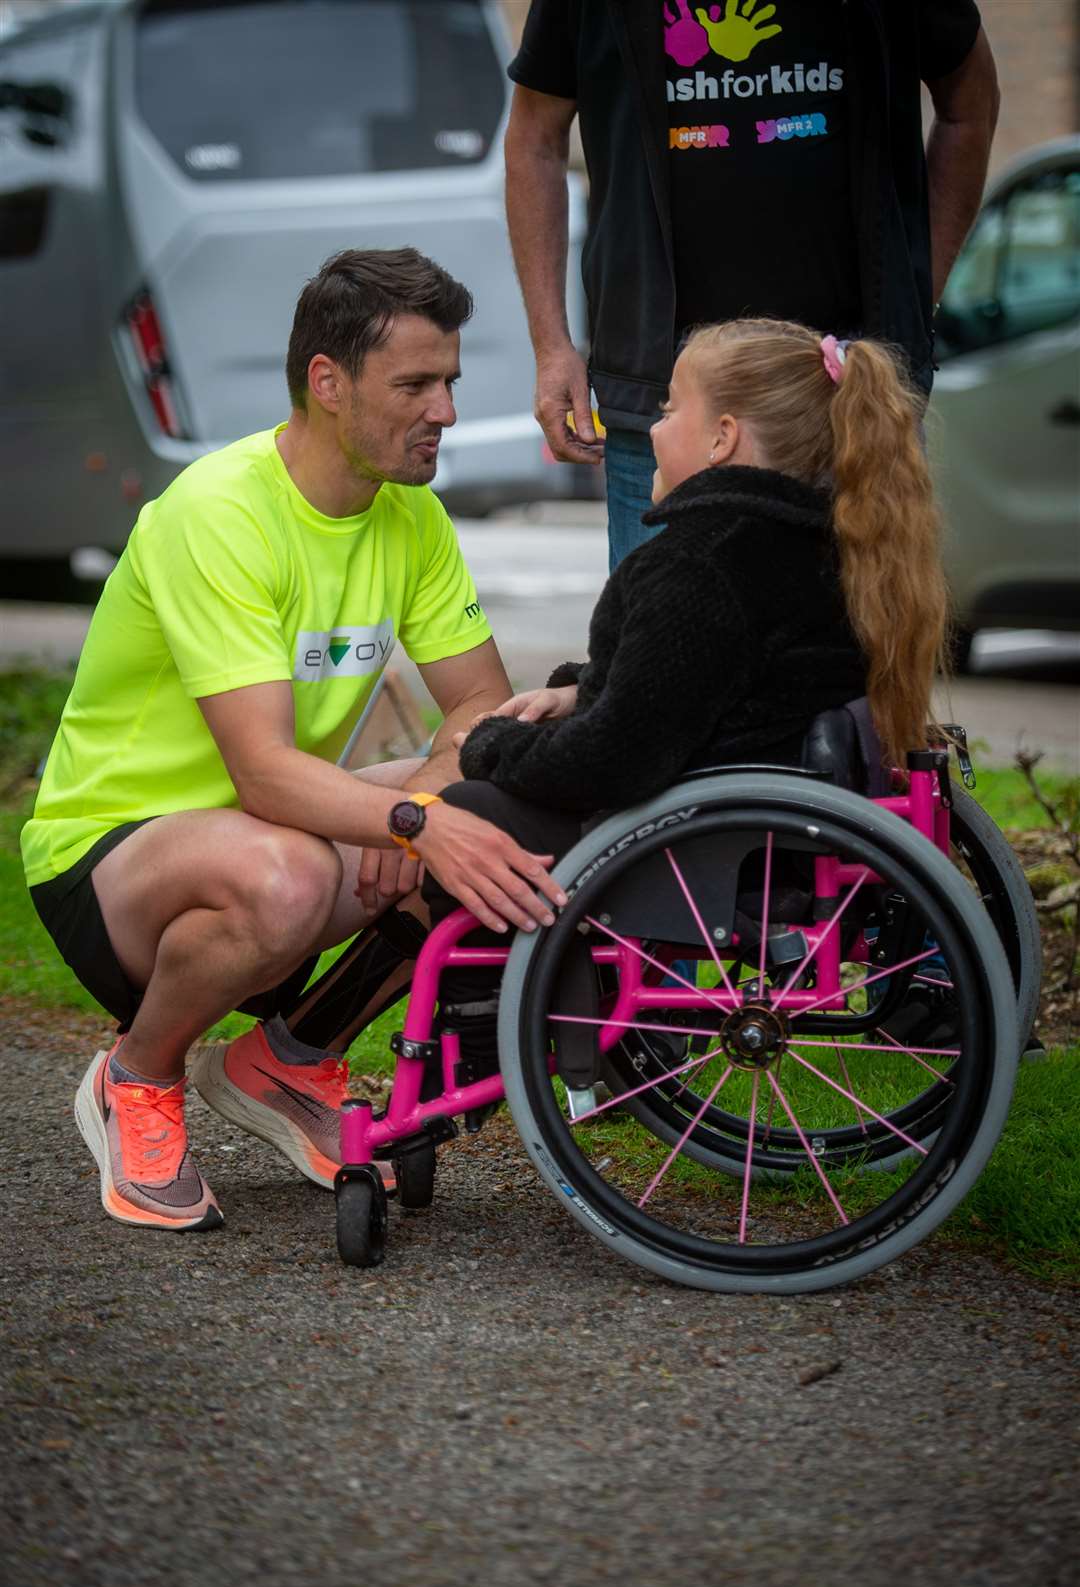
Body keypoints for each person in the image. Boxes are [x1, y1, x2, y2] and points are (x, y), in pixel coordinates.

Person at [22, 248, 566, 1233]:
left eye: (449, 381)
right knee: (290, 877)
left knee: (502, 803)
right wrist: (410, 820)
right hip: (113, 854)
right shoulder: (219, 511)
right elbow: (262, 769)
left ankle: (285, 1056)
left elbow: (481, 709)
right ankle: (135, 1075)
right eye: (414, 383)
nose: (444, 409)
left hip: (272, 826)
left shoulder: (412, 515)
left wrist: (440, 804)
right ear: (327, 381)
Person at [420, 317, 948, 1039]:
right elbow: (725, 679)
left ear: (722, 437)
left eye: (669, 409)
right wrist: (583, 687)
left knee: (464, 810)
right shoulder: (829, 545)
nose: (654, 426)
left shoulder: (701, 564)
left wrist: (494, 743)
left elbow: (615, 759)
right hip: (783, 829)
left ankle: (485, 1034)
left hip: (703, 850)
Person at [504, 0, 1000, 568]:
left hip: (847, 398)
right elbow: (534, 139)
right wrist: (551, 345)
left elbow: (971, 104)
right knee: (663, 647)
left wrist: (915, 290)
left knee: (856, 651)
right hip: (659, 409)